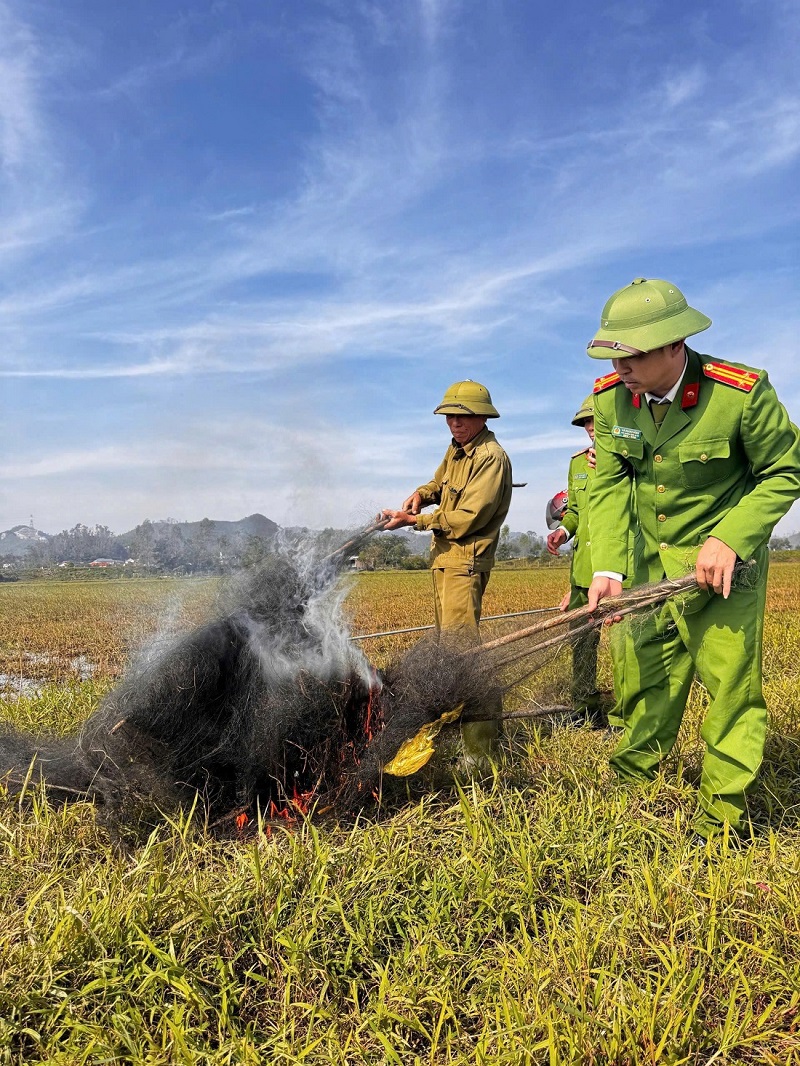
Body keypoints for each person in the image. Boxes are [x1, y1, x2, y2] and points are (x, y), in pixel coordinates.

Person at [585, 276, 800, 841]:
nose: (620, 365)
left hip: (722, 565)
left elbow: (786, 470)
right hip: (644, 562)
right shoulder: (610, 399)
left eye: (631, 353)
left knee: (729, 687)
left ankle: (720, 817)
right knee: (646, 676)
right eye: (614, 352)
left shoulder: (740, 393)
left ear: (675, 346)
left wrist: (730, 537)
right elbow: (608, 485)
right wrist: (607, 566)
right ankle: (634, 780)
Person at [382, 379, 513, 765]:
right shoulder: (457, 450)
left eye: (462, 416)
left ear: (481, 416)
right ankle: (461, 729)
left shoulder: (492, 457)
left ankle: (482, 750)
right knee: (447, 649)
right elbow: (441, 483)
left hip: (465, 562)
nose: (454, 423)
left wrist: (414, 520)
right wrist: (422, 494)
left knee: (464, 653)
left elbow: (468, 517)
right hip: (444, 560)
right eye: (449, 416)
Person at [546, 395, 628, 728]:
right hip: (583, 569)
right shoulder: (577, 463)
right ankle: (584, 708)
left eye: (596, 420)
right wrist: (564, 532)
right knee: (580, 642)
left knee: (625, 644)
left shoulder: (630, 456)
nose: (591, 428)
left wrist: (614, 466)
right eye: (586, 423)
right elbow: (577, 511)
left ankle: (626, 717)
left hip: (620, 569)